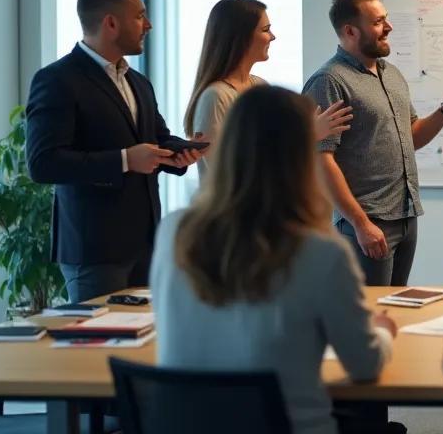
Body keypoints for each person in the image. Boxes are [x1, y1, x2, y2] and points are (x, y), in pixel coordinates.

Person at [152, 85, 398, 434]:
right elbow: (364, 365)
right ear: (300, 156)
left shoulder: (173, 232)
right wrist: (383, 331)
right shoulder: (321, 253)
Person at [26, 0, 203, 303]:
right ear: (110, 23)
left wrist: (180, 154)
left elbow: (157, 139)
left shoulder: (138, 82)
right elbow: (43, 164)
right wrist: (124, 160)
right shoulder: (57, 80)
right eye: (139, 16)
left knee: (147, 342)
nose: (147, 25)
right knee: (94, 349)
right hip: (94, 251)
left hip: (146, 244)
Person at [304, 0, 443, 286]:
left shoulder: (391, 74)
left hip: (405, 213)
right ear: (350, 31)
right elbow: (322, 160)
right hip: (367, 221)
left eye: (385, 19)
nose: (388, 27)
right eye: (377, 22)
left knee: (396, 306)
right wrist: (361, 224)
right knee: (367, 314)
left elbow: (410, 137)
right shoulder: (329, 81)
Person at [184, 0, 352, 174]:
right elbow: (227, 172)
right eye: (265, 30)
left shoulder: (259, 85)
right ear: (242, 37)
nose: (272, 37)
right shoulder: (216, 96)